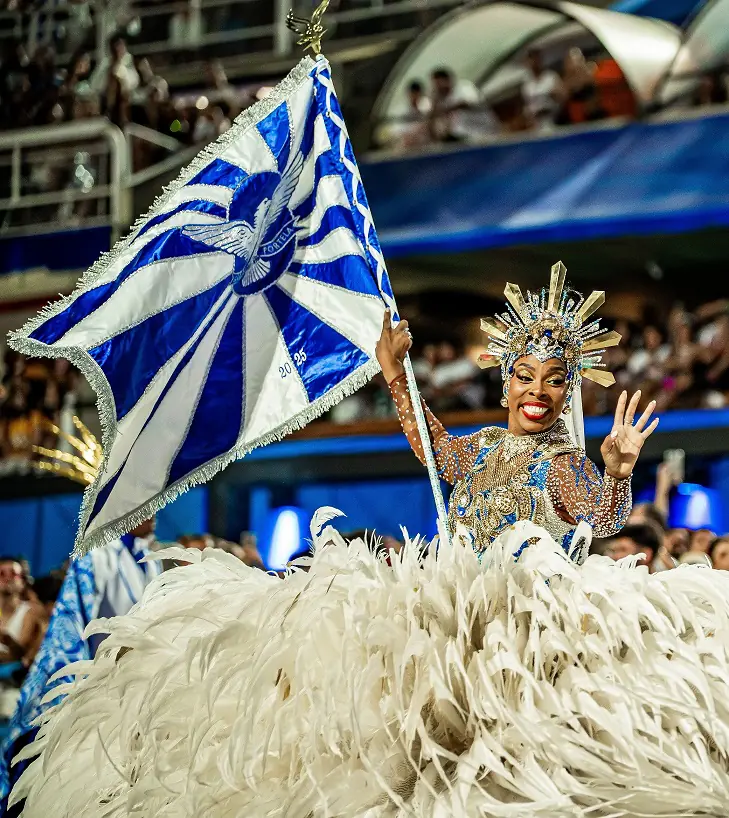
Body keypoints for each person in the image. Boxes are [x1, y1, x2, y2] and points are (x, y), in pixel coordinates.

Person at [11, 269, 729, 817]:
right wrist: (394, 373)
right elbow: (428, 441)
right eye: (523, 376)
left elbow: (602, 521)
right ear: (506, 380)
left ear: (567, 388)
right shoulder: (476, 447)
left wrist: (617, 470)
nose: (534, 391)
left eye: (551, 381)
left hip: (526, 638)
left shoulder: (563, 462)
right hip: (448, 627)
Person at [521, 48, 564, 132]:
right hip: (537, 124)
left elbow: (562, 96)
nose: (534, 62)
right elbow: (527, 105)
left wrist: (554, 95)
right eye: (531, 59)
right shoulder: (526, 84)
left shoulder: (551, 77)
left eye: (537, 58)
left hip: (553, 120)